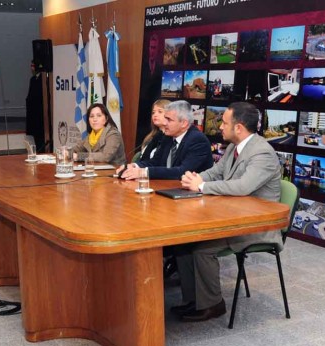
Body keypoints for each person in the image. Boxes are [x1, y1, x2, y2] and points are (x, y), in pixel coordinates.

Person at [171, 102, 282, 322]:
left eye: (224, 122)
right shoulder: (233, 147)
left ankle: (213, 304)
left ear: (239, 127)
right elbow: (216, 172)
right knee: (182, 243)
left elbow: (242, 187)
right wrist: (196, 178)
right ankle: (193, 301)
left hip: (256, 226)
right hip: (232, 217)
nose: (220, 127)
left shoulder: (262, 153)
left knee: (202, 249)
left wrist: (202, 187)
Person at [117, 100, 213, 180]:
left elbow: (182, 172)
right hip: (168, 188)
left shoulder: (198, 140)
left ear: (184, 123)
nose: (165, 123)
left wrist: (144, 172)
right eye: (165, 118)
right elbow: (154, 162)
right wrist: (134, 166)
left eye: (169, 120)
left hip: (193, 196)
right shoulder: (168, 136)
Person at [26, 61, 45, 153]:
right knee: (34, 136)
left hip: (40, 114)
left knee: (40, 135)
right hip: (33, 113)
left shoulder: (44, 80)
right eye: (31, 66)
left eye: (33, 66)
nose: (32, 68)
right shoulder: (32, 79)